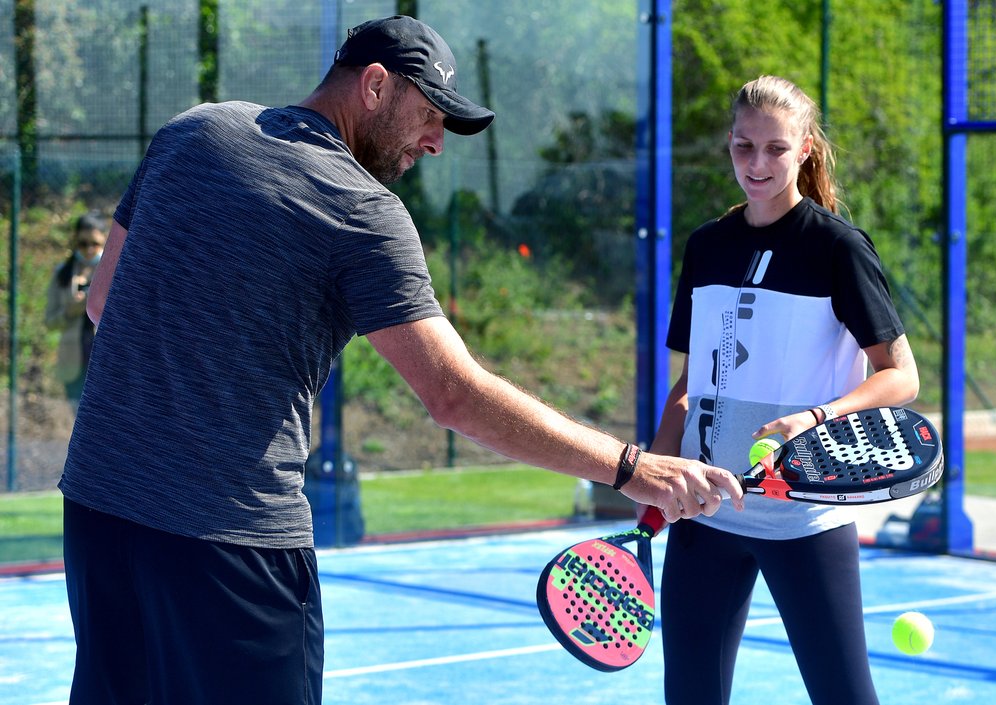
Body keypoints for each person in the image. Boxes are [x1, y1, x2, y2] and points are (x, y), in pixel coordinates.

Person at [59, 16, 744, 705]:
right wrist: (630, 467)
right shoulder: (362, 210)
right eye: (431, 114)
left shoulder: (193, 131)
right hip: (232, 543)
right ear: (376, 86)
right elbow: (453, 395)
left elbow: (102, 300)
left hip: (100, 515)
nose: (437, 141)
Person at [651, 75, 919, 705]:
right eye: (744, 146)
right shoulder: (707, 246)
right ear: (729, 145)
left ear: (804, 149)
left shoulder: (836, 247)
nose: (757, 163)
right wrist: (659, 473)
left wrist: (817, 416)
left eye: (775, 148)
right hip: (706, 510)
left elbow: (901, 376)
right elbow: (692, 384)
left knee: (844, 696)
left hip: (804, 515)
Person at [44, 211, 108, 416]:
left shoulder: (115, 272)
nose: (89, 249)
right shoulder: (62, 273)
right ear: (75, 241)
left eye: (95, 244)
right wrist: (69, 311)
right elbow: (50, 322)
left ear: (106, 241)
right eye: (83, 243)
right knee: (80, 421)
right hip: (73, 362)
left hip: (106, 359)